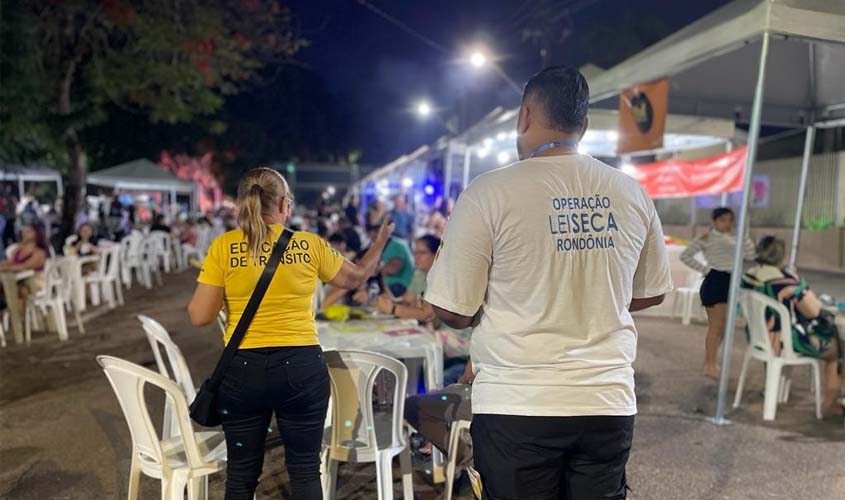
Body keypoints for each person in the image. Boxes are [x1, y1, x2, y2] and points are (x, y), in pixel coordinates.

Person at [424, 66, 673, 500]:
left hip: (518, 405)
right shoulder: (629, 192)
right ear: (584, 126)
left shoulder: (489, 192)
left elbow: (454, 310)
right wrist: (593, 298)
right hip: (606, 403)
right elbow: (652, 291)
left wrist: (513, 297)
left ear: (524, 117)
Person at [187, 167, 394, 500]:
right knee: (304, 470)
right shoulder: (308, 245)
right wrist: (380, 242)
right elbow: (357, 278)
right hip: (301, 368)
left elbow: (199, 316)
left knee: (240, 475)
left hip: (242, 372)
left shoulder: (224, 247)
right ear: (285, 204)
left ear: (242, 204)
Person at [742, 236, 844, 417]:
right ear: (782, 257)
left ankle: (771, 388)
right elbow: (814, 311)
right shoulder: (785, 283)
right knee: (838, 351)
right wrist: (799, 281)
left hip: (759, 338)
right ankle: (831, 403)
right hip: (783, 342)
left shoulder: (749, 277)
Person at [681, 207, 756, 379]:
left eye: (730, 220)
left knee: (724, 328)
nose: (727, 223)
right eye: (723, 220)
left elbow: (751, 254)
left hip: (732, 280)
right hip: (715, 281)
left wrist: (744, 238)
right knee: (716, 326)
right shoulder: (707, 238)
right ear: (714, 222)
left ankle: (710, 360)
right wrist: (706, 270)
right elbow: (686, 255)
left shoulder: (737, 238)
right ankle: (710, 364)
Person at [0, 223, 49, 305]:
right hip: (19, 280)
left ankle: (17, 315)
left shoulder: (39, 252)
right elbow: (11, 262)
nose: (24, 233)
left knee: (17, 290)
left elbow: (24, 266)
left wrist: (4, 268)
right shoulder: (19, 249)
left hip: (34, 281)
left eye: (28, 231)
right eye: (23, 231)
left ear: (36, 233)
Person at [366, 223, 414, 297]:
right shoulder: (386, 246)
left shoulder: (397, 245)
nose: (374, 240)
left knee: (369, 293)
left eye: (375, 237)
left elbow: (393, 269)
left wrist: (376, 270)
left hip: (400, 285)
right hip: (389, 284)